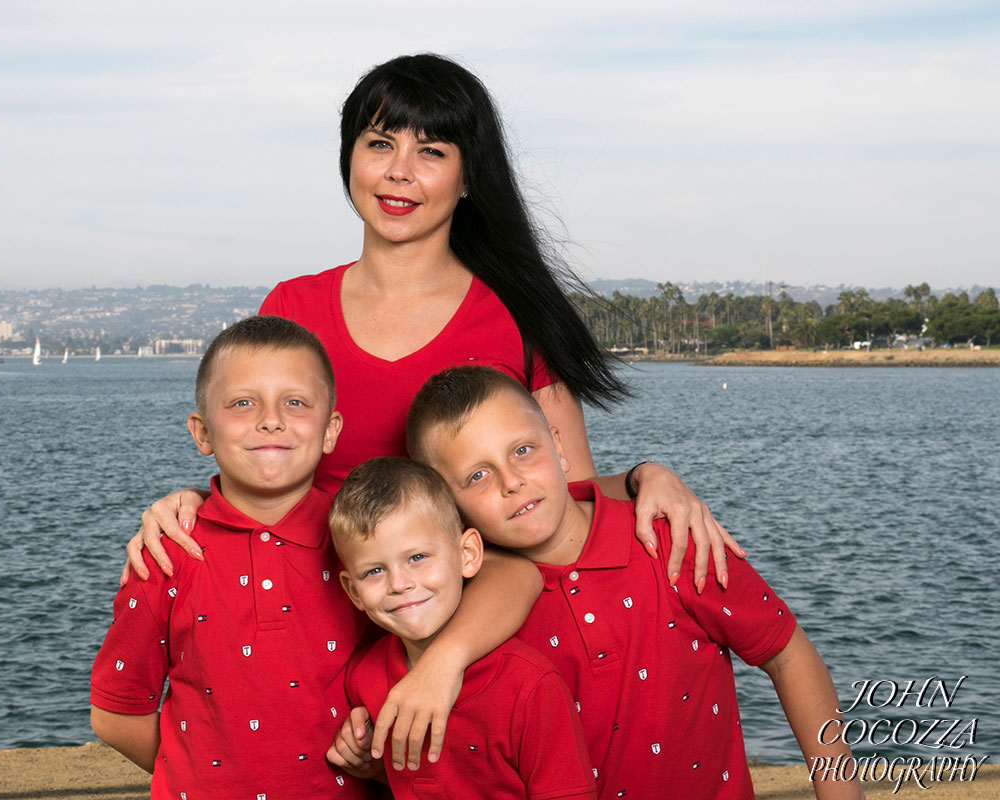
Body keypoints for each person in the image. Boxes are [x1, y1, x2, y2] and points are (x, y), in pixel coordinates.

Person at [123, 53, 743, 767]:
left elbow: (549, 514)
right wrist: (187, 502)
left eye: (432, 151)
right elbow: (263, 477)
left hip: (458, 667)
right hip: (312, 661)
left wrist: (642, 478)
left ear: (469, 175)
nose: (399, 171)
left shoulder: (515, 320)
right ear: (348, 157)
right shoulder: (291, 308)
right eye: (380, 143)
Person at [404, 366, 864, 800]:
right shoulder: (471, 612)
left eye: (523, 450)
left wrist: (841, 790)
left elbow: (787, 654)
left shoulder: (670, 540)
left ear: (559, 447)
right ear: (449, 506)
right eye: (478, 476)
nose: (513, 482)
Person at [89, 316, 373, 798]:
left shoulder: (365, 541)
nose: (271, 419)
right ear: (202, 433)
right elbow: (116, 713)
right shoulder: (167, 553)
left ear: (330, 430)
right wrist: (198, 772)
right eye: (243, 403)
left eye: (296, 402)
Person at [327, 457, 597, 800]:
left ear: (467, 554)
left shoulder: (529, 686)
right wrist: (367, 759)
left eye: (417, 558)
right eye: (374, 572)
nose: (399, 584)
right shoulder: (363, 678)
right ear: (354, 592)